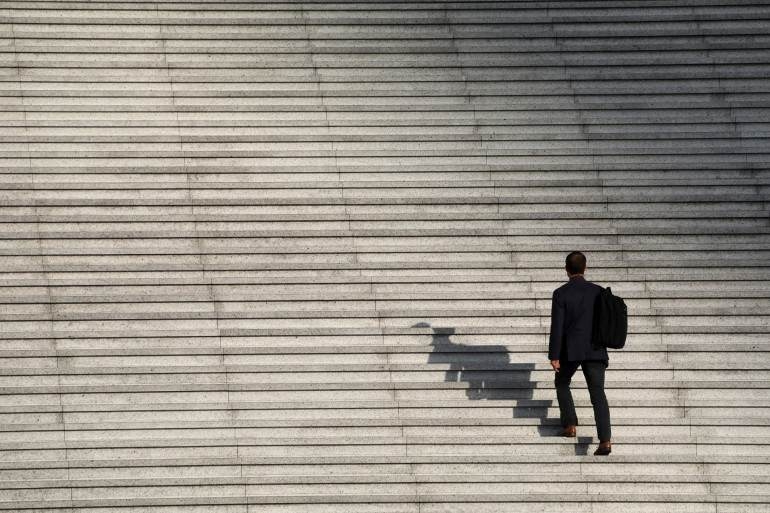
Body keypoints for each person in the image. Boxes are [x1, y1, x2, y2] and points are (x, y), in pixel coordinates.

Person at [548, 251, 612, 455]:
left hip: (570, 350)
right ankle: (605, 441)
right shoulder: (599, 292)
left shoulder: (561, 293)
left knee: (561, 382)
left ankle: (570, 425)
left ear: (566, 270)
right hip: (595, 349)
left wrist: (554, 355)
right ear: (585, 268)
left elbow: (557, 326)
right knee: (598, 394)